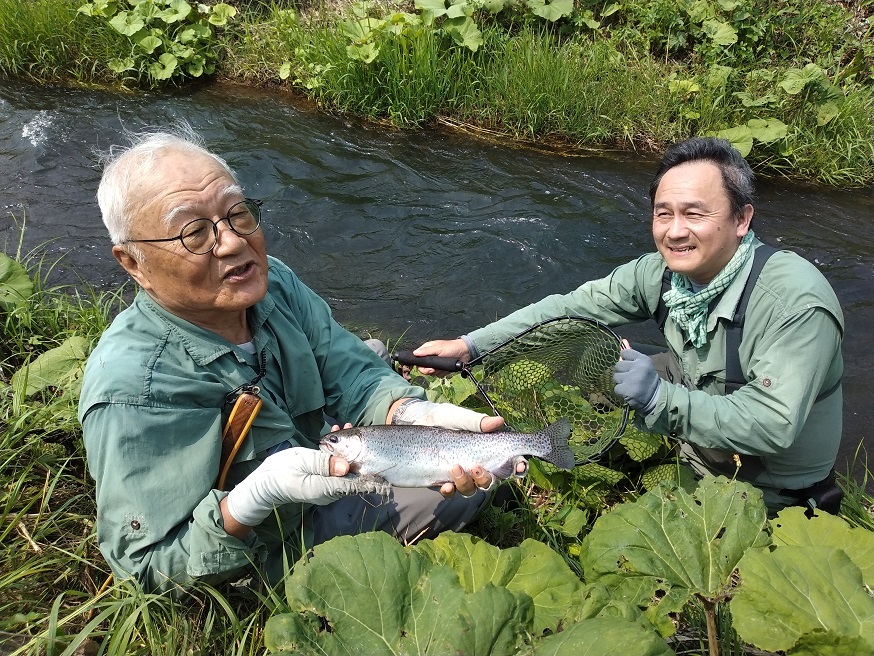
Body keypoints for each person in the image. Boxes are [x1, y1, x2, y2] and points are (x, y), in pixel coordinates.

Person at [78, 125, 505, 595]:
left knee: (372, 355)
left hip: (323, 447)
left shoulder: (269, 281)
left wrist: (409, 413)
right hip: (266, 540)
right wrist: (254, 498)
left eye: (237, 213)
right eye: (195, 232)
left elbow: (352, 371)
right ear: (134, 263)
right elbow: (147, 567)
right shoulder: (135, 390)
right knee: (469, 494)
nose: (233, 242)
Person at [413, 137, 844, 516]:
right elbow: (569, 310)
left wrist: (660, 399)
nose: (675, 231)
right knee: (595, 362)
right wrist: (473, 346)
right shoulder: (661, 275)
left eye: (694, 214)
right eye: (663, 214)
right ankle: (565, 448)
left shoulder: (794, 301)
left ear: (741, 220)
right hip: (697, 428)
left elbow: (774, 424)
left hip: (768, 494)